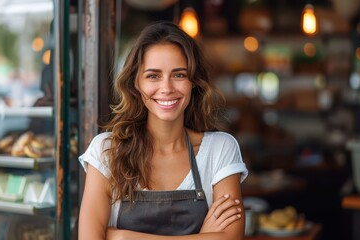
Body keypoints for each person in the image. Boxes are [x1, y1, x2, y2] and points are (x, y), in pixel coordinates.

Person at [78, 21, 248, 239]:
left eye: (179, 75)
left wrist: (124, 237)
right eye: (153, 76)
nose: (167, 88)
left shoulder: (220, 149)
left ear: (193, 82)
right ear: (136, 83)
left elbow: (231, 238)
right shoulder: (107, 151)